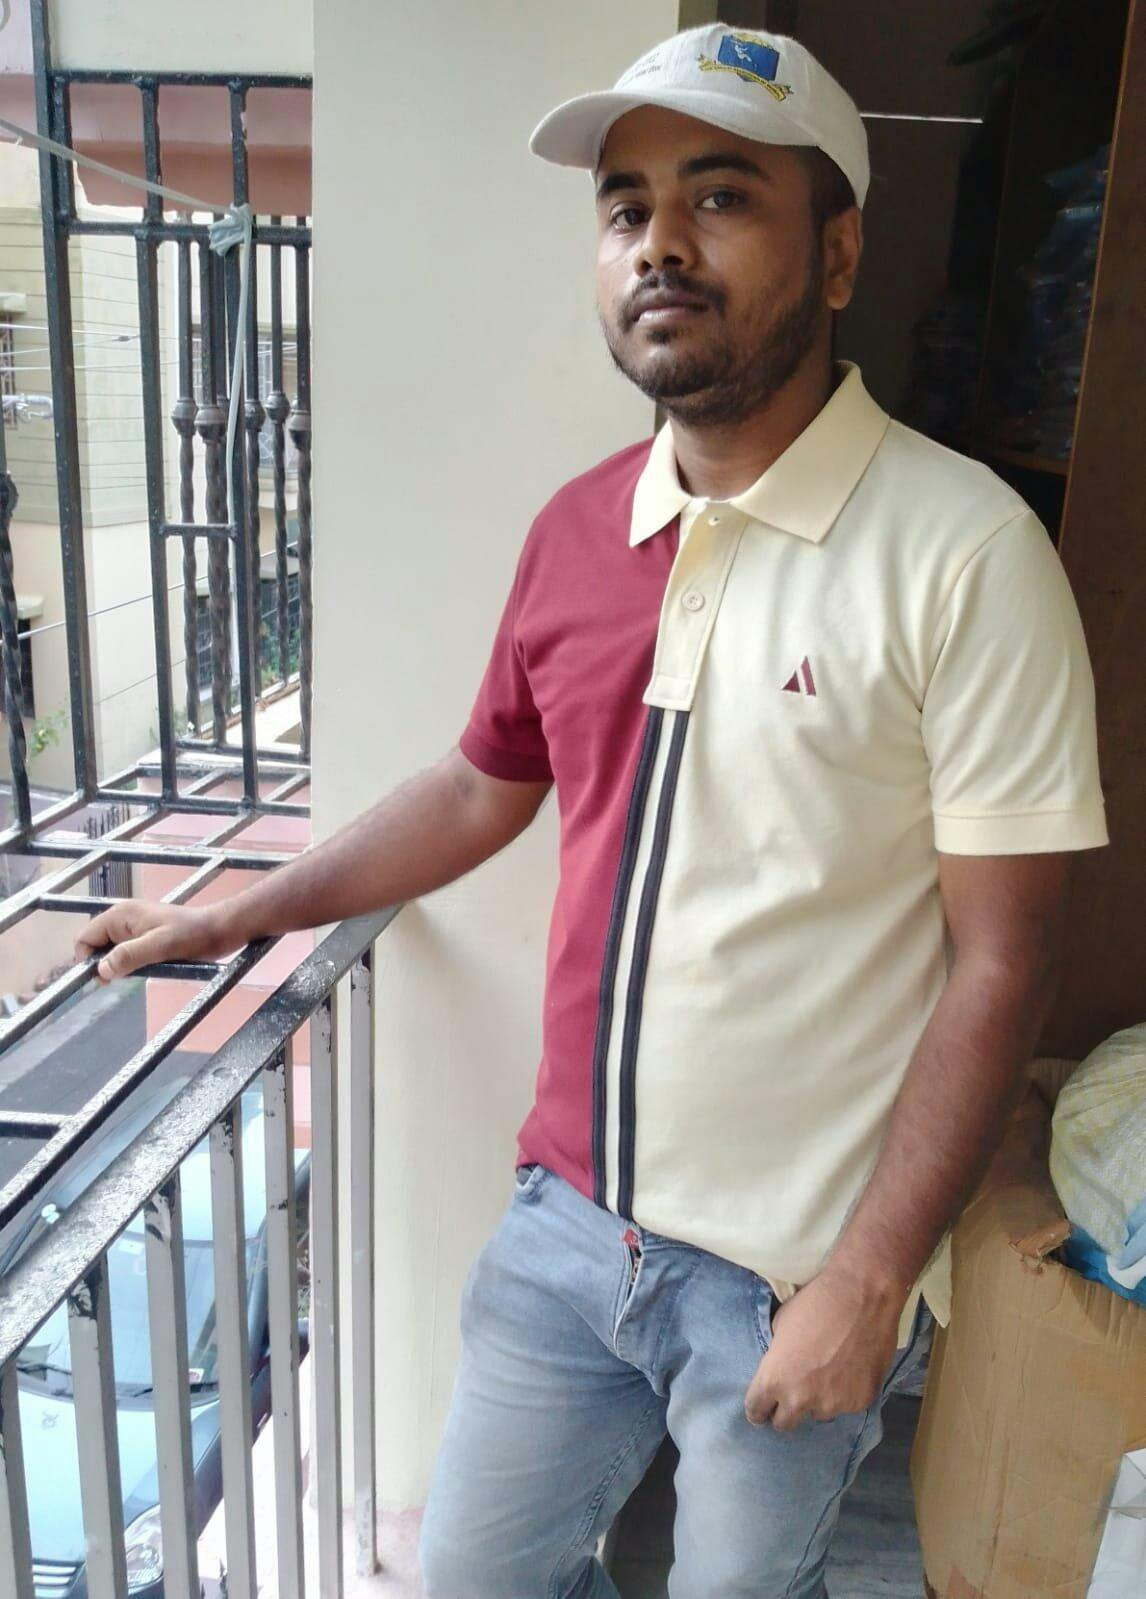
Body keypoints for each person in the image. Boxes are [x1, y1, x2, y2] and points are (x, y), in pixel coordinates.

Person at [78, 25, 1108, 1598]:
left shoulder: (961, 554)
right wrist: (234, 912)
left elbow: (1002, 959)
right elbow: (476, 783)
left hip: (792, 1268)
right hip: (565, 1233)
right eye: (626, 208)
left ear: (838, 254)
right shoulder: (578, 529)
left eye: (720, 198)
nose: (659, 244)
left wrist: (867, 1279)